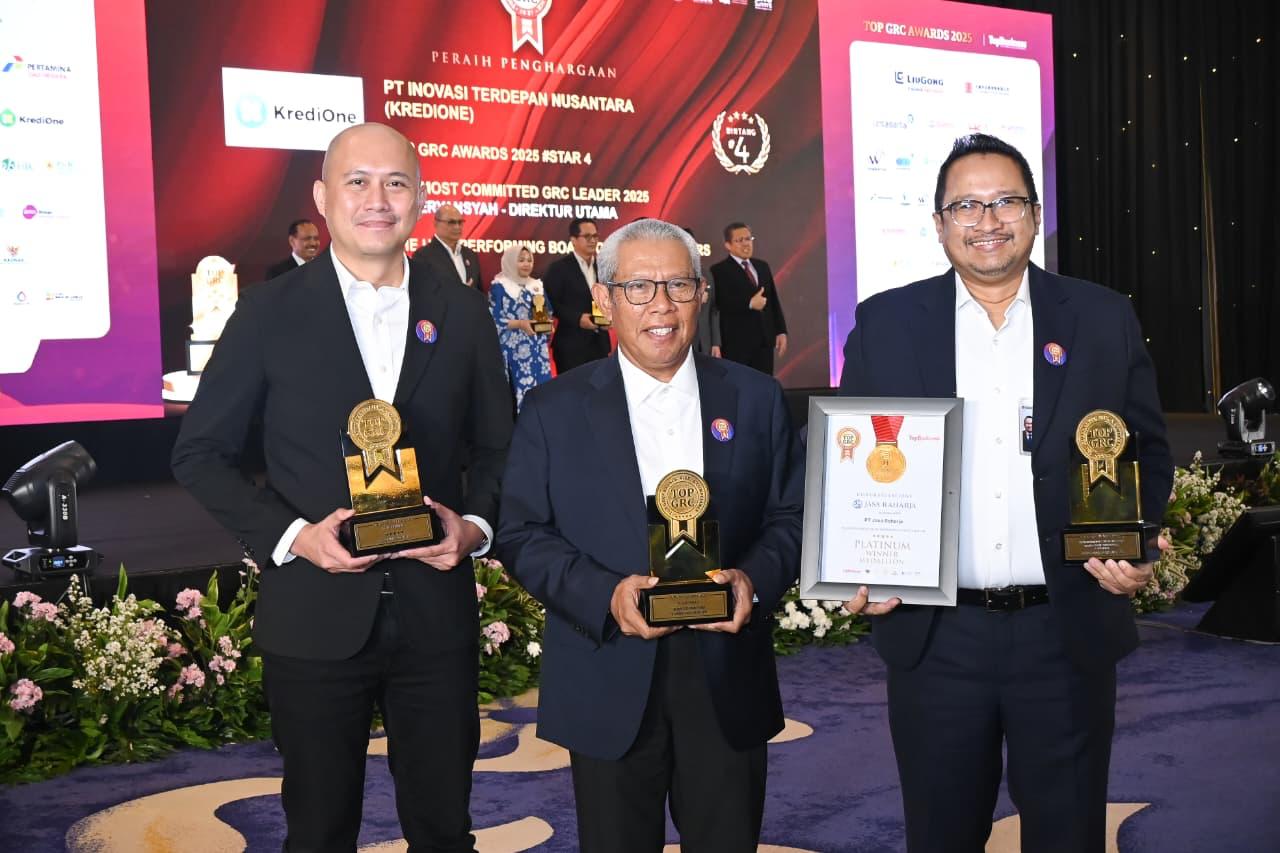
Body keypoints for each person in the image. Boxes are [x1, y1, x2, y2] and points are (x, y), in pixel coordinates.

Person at [171, 122, 512, 852]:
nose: (377, 200)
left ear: (418, 198)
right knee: (319, 831)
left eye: (395, 182)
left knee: (445, 831)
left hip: (435, 616)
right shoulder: (269, 311)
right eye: (357, 181)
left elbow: (498, 447)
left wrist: (476, 528)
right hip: (314, 616)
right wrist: (296, 538)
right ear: (324, 198)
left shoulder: (461, 309)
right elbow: (199, 453)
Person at [838, 133, 1173, 852]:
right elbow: (853, 460)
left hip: (1066, 627)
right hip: (937, 636)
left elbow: (1145, 450)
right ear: (938, 224)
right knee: (941, 832)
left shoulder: (1101, 317)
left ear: (1035, 215)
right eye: (966, 205)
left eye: (1006, 202)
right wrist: (859, 561)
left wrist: (1137, 540)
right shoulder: (886, 324)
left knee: (1068, 833)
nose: (987, 220)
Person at [495, 218, 802, 852]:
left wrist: (752, 581)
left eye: (678, 285)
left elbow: (791, 516)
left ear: (701, 294)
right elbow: (522, 533)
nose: (661, 305)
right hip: (608, 668)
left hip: (725, 672)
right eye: (638, 287)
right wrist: (605, 595)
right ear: (604, 299)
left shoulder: (756, 398)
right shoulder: (553, 409)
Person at [710, 222, 787, 374]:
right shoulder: (719, 271)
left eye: (748, 239)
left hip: (764, 342)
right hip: (736, 344)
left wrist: (781, 331)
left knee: (764, 383)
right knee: (740, 383)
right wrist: (749, 303)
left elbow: (773, 301)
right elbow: (720, 304)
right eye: (739, 240)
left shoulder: (762, 267)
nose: (746, 244)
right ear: (728, 245)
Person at [489, 244, 553, 412]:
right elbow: (493, 320)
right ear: (511, 261)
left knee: (541, 399)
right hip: (512, 352)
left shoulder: (536, 285)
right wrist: (519, 324)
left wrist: (548, 325)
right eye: (521, 260)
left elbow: (547, 312)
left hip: (537, 351)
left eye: (529, 260)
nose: (526, 264)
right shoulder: (500, 287)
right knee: (514, 399)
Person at [544, 217, 611, 373]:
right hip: (570, 345)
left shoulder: (603, 268)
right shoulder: (559, 268)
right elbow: (551, 303)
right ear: (573, 240)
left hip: (599, 344)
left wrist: (610, 316)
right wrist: (577, 318)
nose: (592, 241)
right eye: (587, 236)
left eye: (595, 236)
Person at [412, 203, 482, 289]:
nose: (457, 227)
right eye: (451, 222)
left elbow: (479, 290)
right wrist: (458, 293)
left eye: (460, 222)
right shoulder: (423, 256)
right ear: (436, 223)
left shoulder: (470, 255)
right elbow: (421, 290)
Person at [682, 227, 721, 357]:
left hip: (705, 343)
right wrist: (696, 297)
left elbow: (714, 309)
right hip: (682, 343)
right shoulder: (670, 274)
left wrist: (716, 343)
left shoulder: (706, 273)